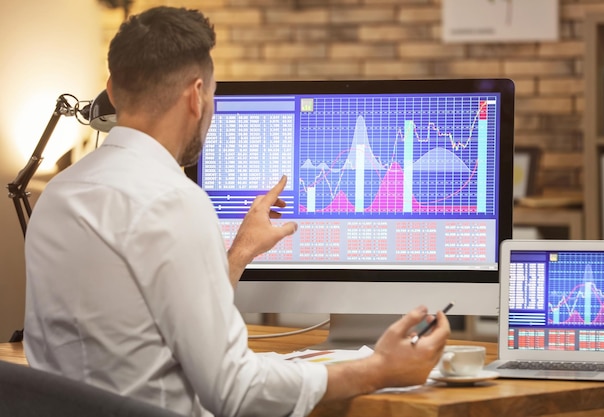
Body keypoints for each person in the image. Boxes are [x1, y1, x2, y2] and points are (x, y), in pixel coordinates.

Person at [23, 6, 450, 417]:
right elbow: (234, 390)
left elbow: (146, 320)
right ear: (196, 95)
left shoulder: (58, 194)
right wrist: (378, 369)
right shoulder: (174, 200)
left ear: (112, 91)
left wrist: (240, 252)